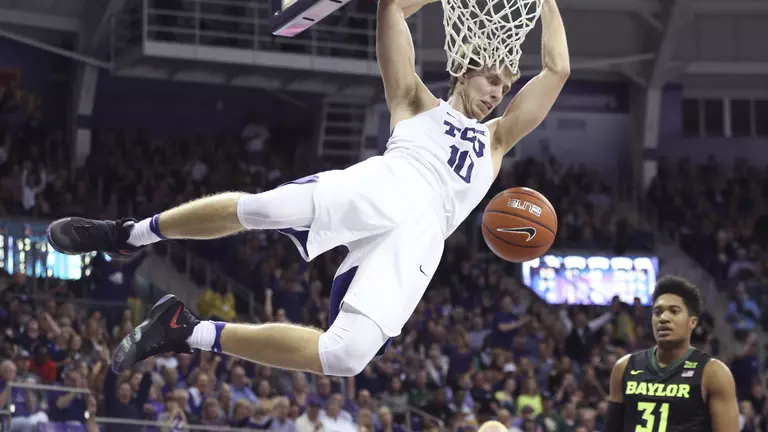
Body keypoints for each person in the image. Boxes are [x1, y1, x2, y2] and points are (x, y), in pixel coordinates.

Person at [45, 0, 569, 377]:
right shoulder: (413, 101)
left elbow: (557, 68)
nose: (498, 93)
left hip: (419, 242)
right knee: (261, 209)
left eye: (504, 86)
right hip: (384, 184)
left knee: (346, 357)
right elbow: (392, 11)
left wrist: (545, 1)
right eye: (491, 81)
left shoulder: (498, 140)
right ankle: (127, 234)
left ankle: (186, 330)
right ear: (464, 71)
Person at [604, 276, 739, 431]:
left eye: (674, 311)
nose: (664, 318)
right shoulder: (624, 367)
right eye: (657, 312)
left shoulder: (714, 373)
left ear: (692, 322)